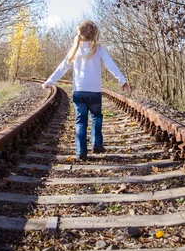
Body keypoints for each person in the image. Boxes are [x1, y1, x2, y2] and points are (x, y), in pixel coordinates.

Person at [42, 20, 130, 160]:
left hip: (79, 91)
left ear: (80, 33)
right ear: (95, 33)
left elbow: (62, 68)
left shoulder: (75, 50)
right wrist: (122, 80)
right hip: (94, 91)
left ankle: (81, 152)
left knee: (80, 121)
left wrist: (49, 81)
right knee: (96, 117)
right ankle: (97, 144)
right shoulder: (98, 49)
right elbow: (110, 65)